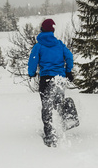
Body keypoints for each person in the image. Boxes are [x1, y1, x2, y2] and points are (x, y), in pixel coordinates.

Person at [27, 18, 79, 147]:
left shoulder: (38, 46)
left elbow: (33, 61)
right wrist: (68, 71)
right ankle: (69, 116)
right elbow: (69, 56)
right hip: (59, 79)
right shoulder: (59, 44)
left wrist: (31, 72)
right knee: (59, 102)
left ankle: (50, 136)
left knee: (47, 107)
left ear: (42, 29)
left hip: (46, 79)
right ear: (53, 30)